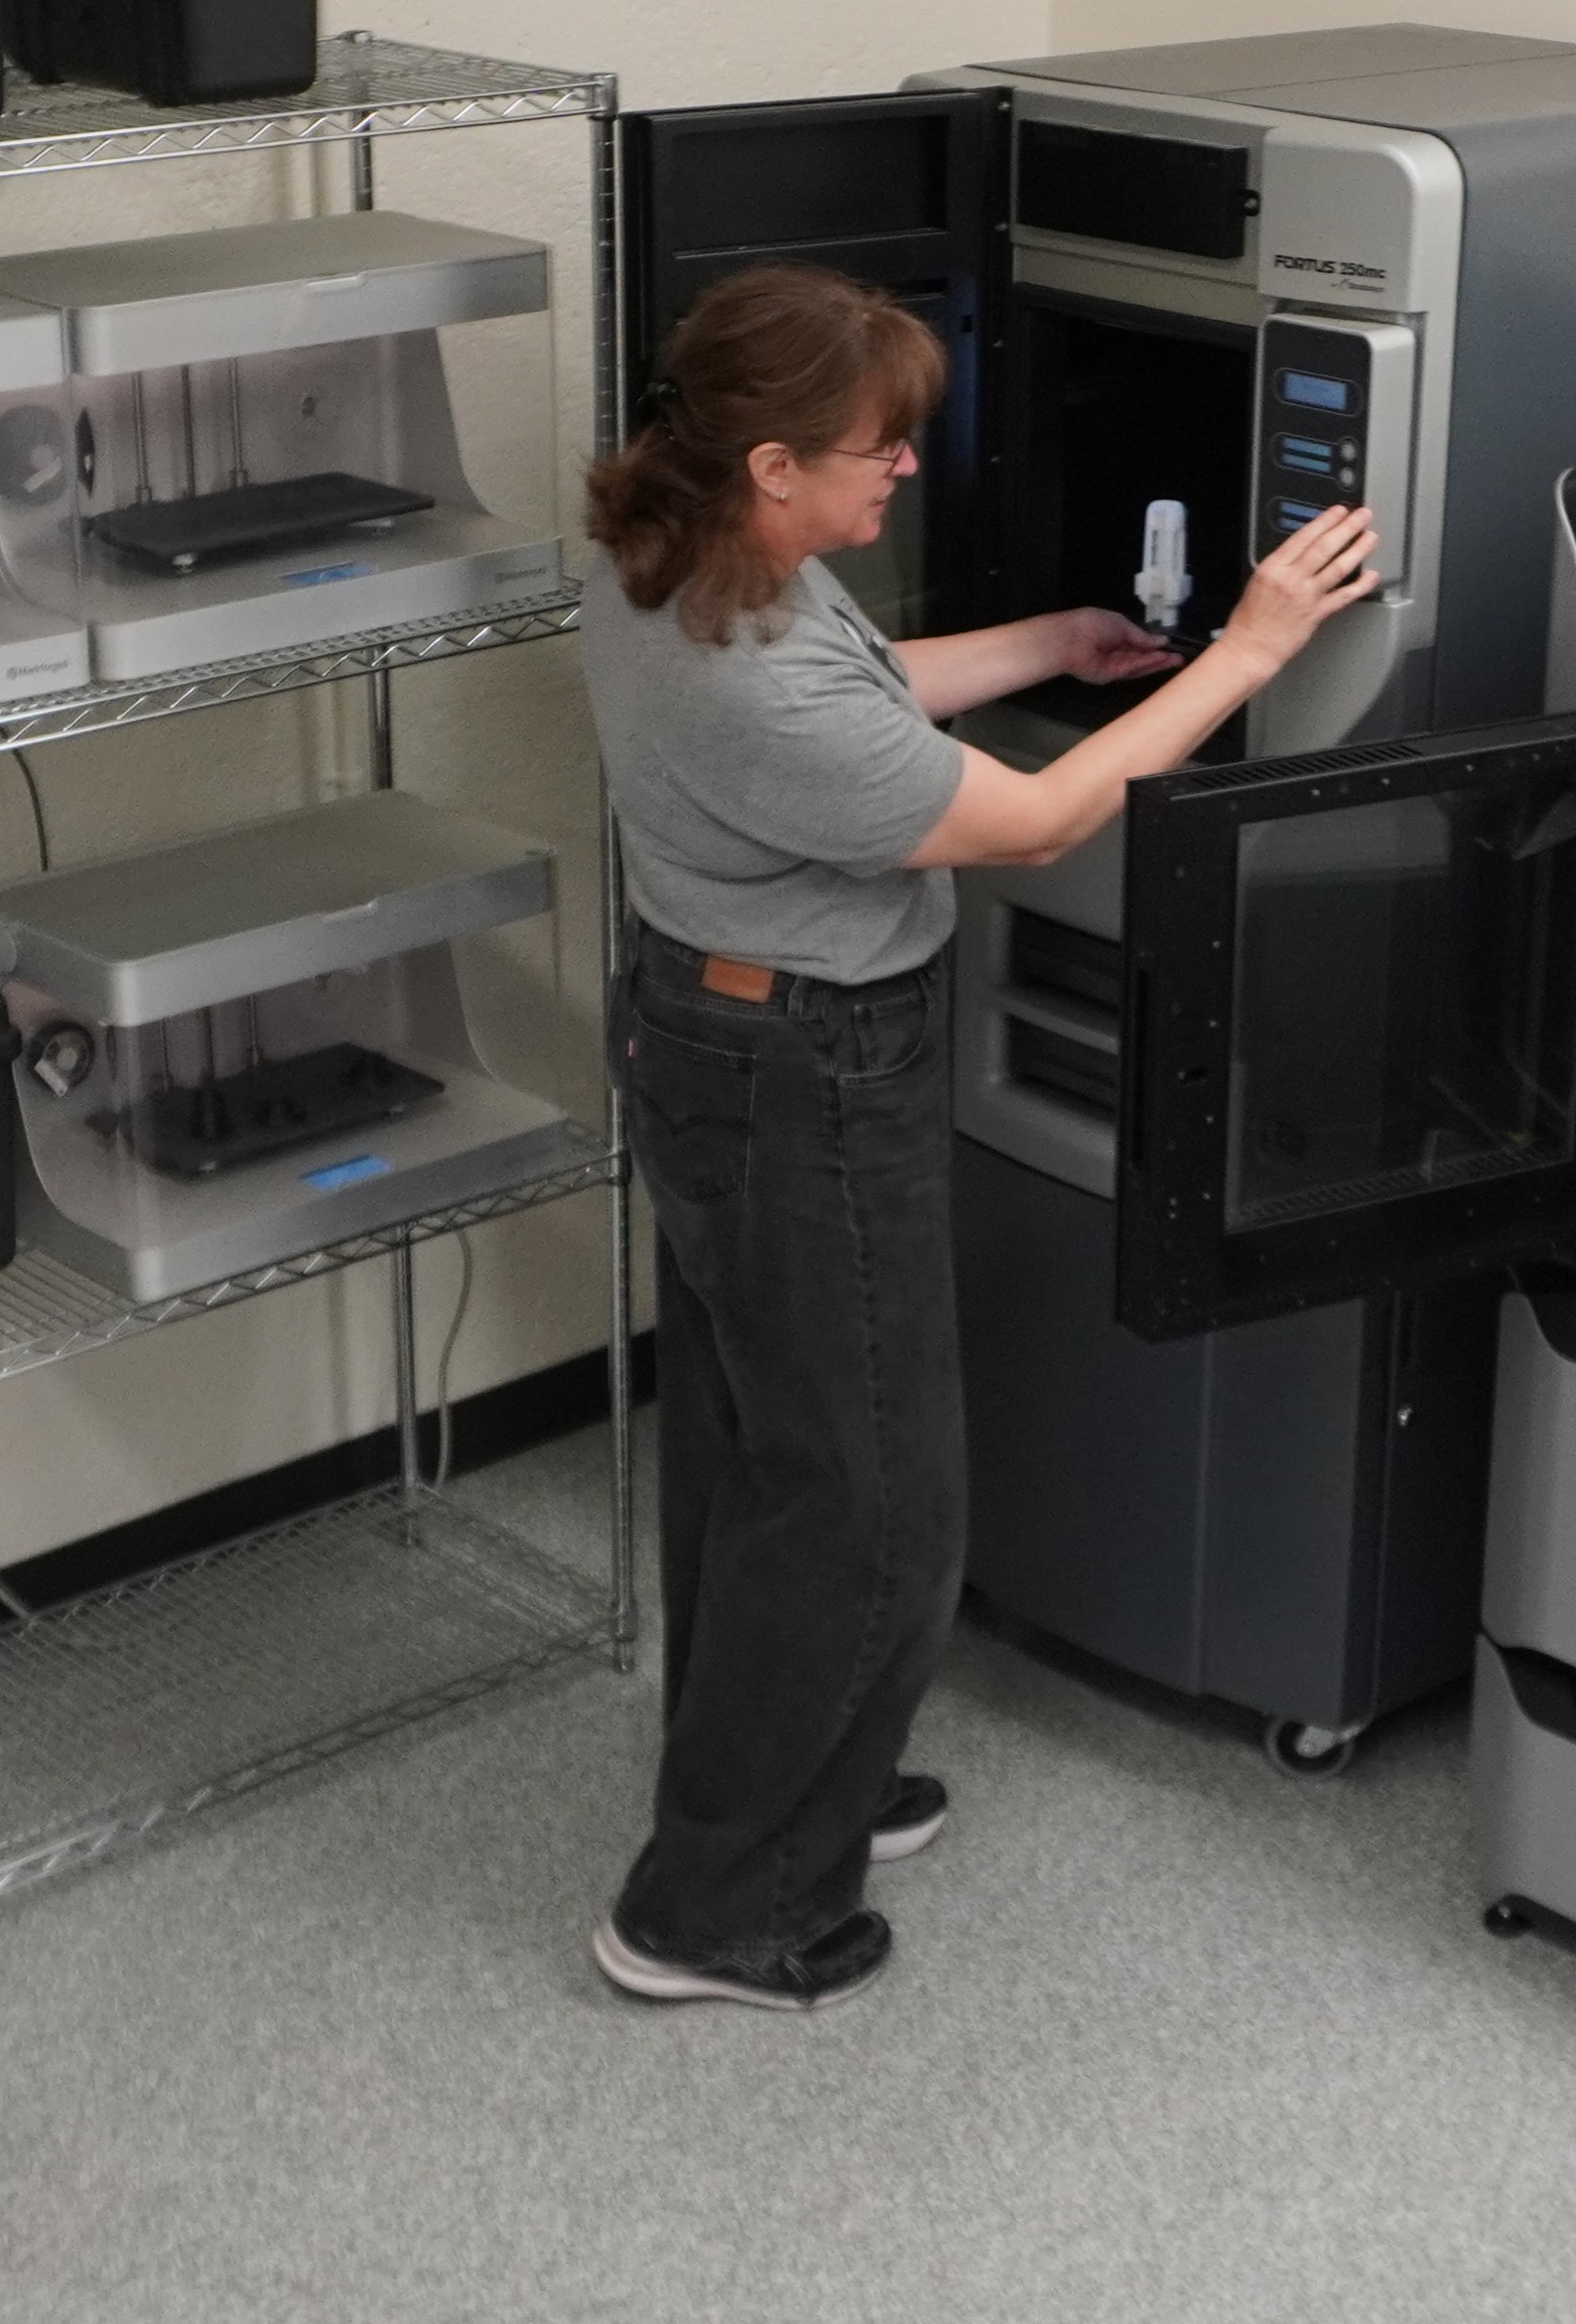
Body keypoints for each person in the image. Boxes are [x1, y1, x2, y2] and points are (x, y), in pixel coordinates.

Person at [579, 264, 1383, 2009]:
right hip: (802, 1069)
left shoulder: (667, 552)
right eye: (879, 452)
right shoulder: (752, 678)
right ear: (775, 464)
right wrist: (1249, 652)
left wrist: (1052, 644)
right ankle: (713, 1909)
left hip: (704, 1023)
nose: (908, 479)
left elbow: (869, 693)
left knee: (757, 1446)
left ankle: (806, 1785)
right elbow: (1026, 826)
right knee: (873, 1502)